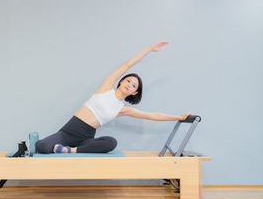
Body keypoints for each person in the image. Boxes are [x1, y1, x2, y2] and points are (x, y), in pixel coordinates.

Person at [35, 41, 192, 154]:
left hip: (85, 139)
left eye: (133, 86)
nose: (129, 85)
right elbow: (127, 65)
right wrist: (150, 49)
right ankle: (66, 148)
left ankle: (71, 151)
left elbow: (152, 116)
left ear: (134, 93)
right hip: (68, 132)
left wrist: (179, 117)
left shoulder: (122, 109)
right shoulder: (106, 88)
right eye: (128, 80)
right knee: (41, 146)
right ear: (121, 81)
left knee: (111, 143)